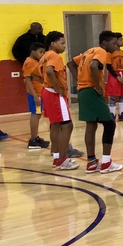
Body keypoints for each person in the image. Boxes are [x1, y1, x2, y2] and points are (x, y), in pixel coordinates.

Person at [67, 31, 123, 174]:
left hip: (83, 90)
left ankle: (91, 162)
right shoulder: (101, 51)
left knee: (91, 125)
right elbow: (93, 66)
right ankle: (106, 162)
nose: (116, 45)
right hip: (91, 90)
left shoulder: (89, 51)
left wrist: (80, 79)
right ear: (104, 43)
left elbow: (70, 63)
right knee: (110, 124)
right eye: (113, 42)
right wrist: (97, 86)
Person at [39, 31, 75, 170]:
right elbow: (49, 71)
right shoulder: (54, 56)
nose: (64, 46)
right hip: (54, 93)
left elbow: (40, 73)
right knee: (67, 125)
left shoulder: (45, 56)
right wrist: (57, 87)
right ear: (53, 44)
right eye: (62, 43)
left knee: (55, 125)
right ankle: (62, 159)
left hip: (46, 91)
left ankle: (56, 157)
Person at [23, 42, 50, 149]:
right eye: (40, 52)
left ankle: (35, 137)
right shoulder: (30, 62)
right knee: (36, 115)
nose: (42, 54)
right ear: (33, 51)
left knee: (37, 115)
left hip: (39, 93)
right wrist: (35, 96)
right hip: (36, 94)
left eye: (44, 52)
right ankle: (33, 139)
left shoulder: (34, 61)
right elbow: (27, 80)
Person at [105, 33, 123, 122]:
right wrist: (117, 77)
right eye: (120, 40)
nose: (122, 42)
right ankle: (112, 114)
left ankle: (122, 113)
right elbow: (108, 67)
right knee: (113, 96)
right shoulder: (110, 53)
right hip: (114, 75)